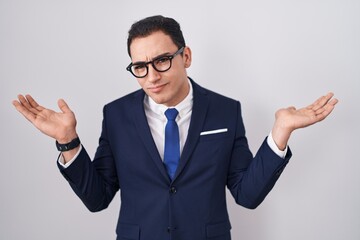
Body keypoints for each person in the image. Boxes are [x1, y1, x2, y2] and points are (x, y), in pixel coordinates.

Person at [12, 15, 338, 240]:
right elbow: (98, 198)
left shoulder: (225, 111)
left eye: (162, 60)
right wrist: (68, 141)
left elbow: (247, 194)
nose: (152, 76)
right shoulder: (116, 115)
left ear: (187, 56)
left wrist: (280, 131)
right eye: (140, 66)